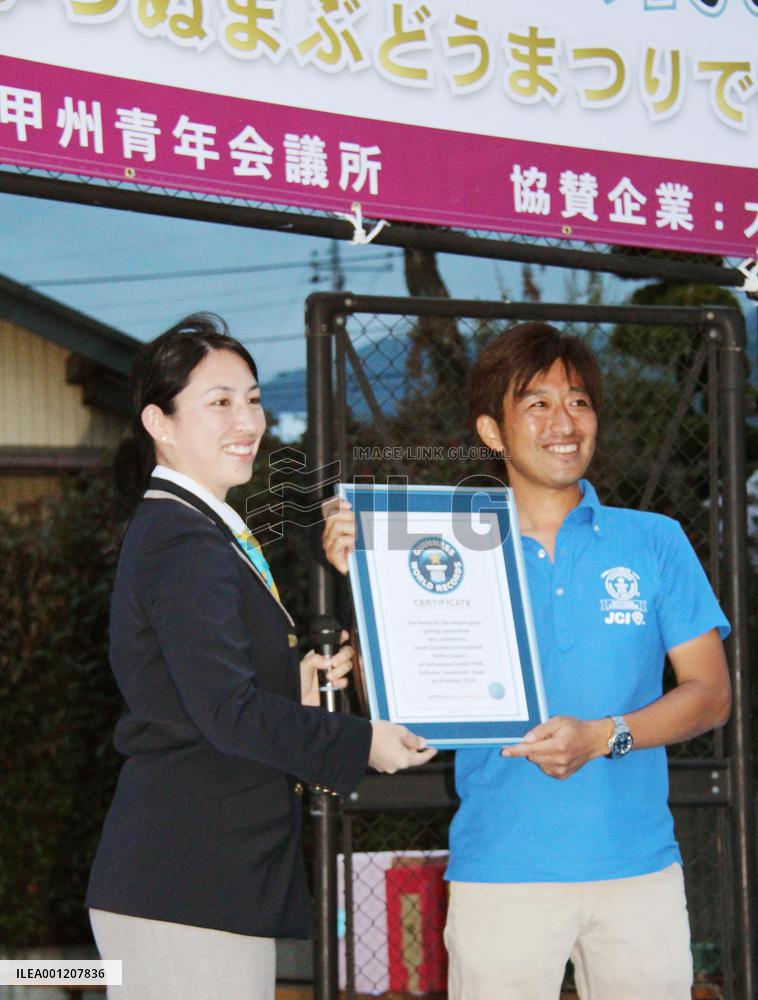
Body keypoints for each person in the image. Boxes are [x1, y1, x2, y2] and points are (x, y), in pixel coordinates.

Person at [322, 322, 731, 1000]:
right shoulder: (442, 543)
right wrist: (369, 586)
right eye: (536, 403)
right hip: (500, 869)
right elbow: (405, 717)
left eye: (578, 400)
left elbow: (711, 694)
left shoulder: (654, 540)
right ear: (492, 431)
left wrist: (603, 736)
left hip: (639, 870)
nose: (562, 421)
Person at [86, 313, 435, 1000]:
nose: (246, 420)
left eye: (252, 399)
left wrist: (291, 687)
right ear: (160, 421)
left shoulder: (195, 529)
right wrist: (362, 741)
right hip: (187, 884)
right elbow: (226, 713)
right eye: (218, 402)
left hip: (193, 882)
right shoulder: (185, 541)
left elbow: (205, 700)